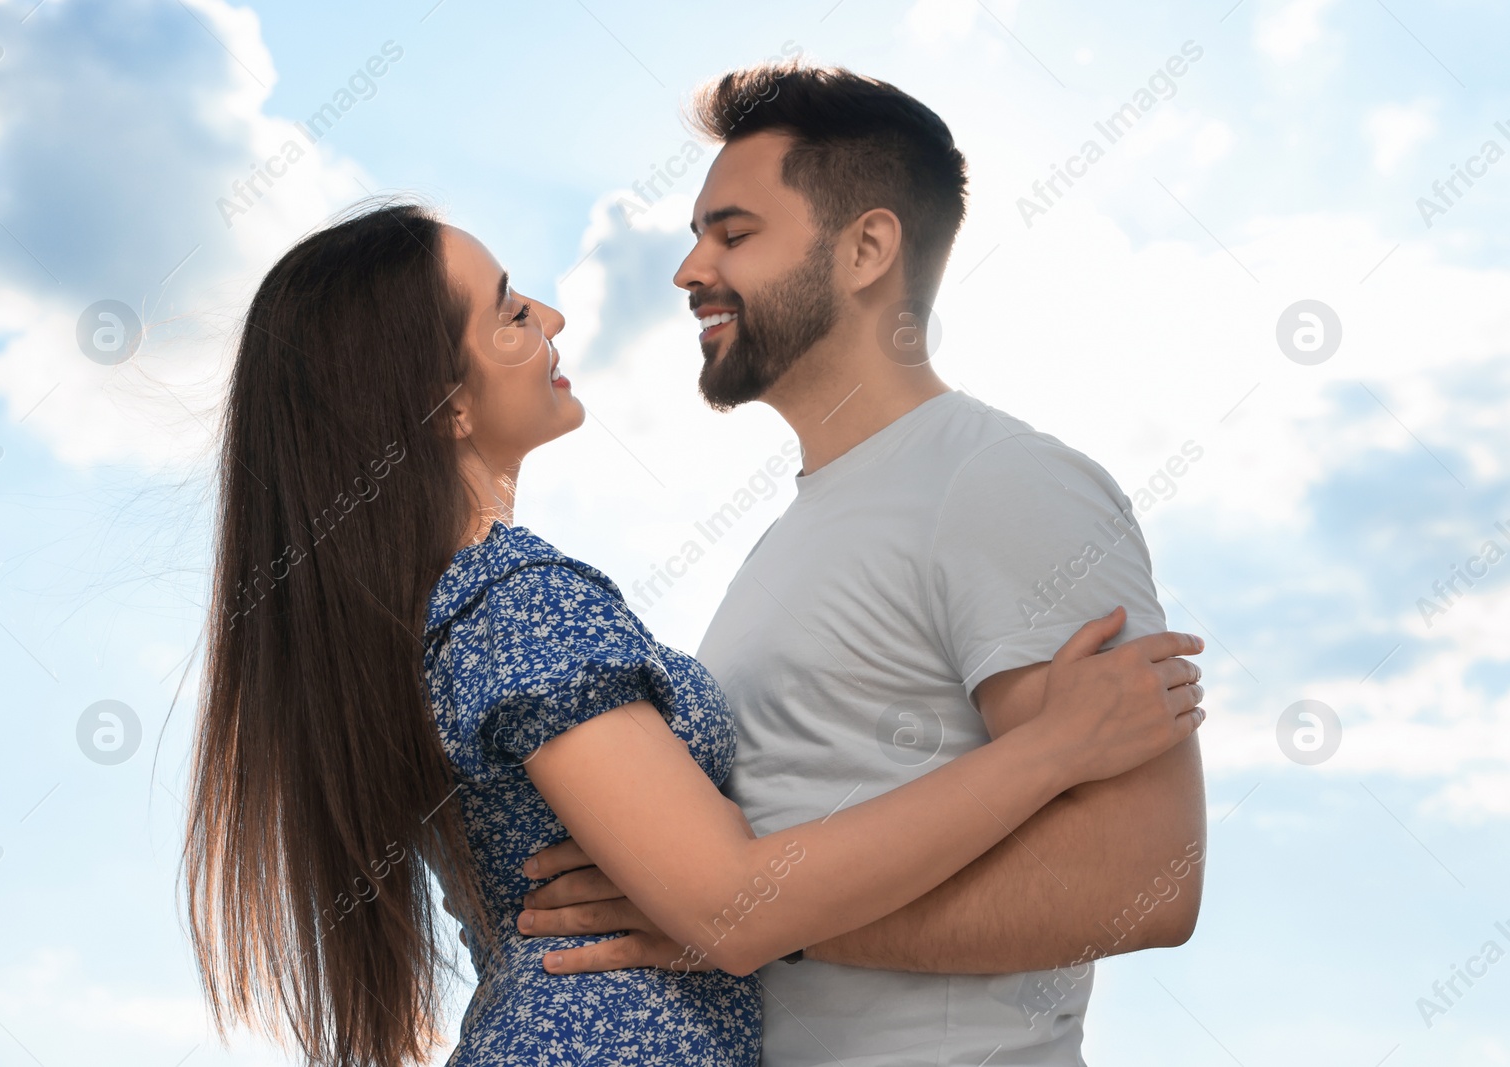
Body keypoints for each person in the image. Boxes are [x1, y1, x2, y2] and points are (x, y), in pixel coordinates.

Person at [181, 199, 1207, 1067]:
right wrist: (1050, 747)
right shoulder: (516, 591)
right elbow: (732, 905)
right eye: (507, 313)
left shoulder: (432, 606)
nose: (550, 314)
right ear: (444, 404)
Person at [514, 63, 1211, 1065]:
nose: (689, 269)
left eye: (733, 232)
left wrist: (735, 920)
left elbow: (1141, 878)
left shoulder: (1003, 481)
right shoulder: (792, 534)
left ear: (866, 248)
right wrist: (720, 909)